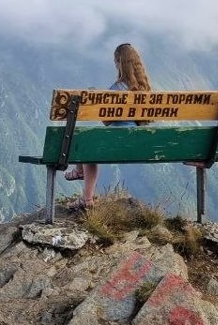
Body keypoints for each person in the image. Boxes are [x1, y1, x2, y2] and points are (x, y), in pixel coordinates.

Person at [63, 42, 152, 209]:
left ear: (120, 62)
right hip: (137, 142)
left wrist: (95, 97)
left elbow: (107, 121)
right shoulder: (144, 89)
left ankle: (86, 196)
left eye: (115, 62)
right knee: (88, 142)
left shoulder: (117, 88)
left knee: (85, 142)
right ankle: (79, 173)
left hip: (115, 141)